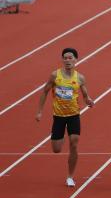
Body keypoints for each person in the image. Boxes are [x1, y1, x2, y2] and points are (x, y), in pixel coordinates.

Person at [36, 48, 94, 187]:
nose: (68, 60)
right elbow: (44, 92)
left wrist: (88, 100)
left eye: (70, 58)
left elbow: (85, 95)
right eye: (65, 58)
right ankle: (59, 137)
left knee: (74, 143)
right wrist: (39, 111)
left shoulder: (80, 78)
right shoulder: (55, 75)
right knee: (56, 149)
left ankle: (70, 177)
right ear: (62, 60)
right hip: (59, 116)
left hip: (74, 115)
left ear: (76, 60)